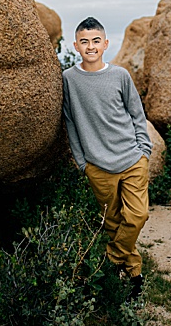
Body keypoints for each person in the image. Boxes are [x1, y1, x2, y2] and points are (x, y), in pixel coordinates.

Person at [61, 16, 152, 302]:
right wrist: (81, 161)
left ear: (105, 44)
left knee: (138, 215)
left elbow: (137, 114)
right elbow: (70, 121)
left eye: (96, 41)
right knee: (112, 223)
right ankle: (135, 276)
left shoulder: (120, 75)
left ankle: (110, 263)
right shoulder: (69, 79)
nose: (91, 46)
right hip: (98, 165)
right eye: (85, 41)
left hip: (132, 158)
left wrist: (145, 151)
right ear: (76, 46)